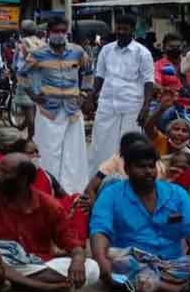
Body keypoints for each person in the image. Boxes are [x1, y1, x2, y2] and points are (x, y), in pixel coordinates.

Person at [89, 143, 190, 292]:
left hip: (173, 264)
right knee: (109, 261)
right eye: (141, 167)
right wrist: (101, 260)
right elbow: (100, 230)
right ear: (127, 170)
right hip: (131, 262)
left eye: (151, 166)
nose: (148, 171)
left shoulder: (177, 193)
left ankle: (185, 285)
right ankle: (176, 290)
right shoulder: (111, 194)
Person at [0, 153, 99, 292]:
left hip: (37, 264)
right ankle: (45, 288)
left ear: (23, 179)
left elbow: (72, 244)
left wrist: (77, 261)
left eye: (5, 173)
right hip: (1, 259)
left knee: (92, 268)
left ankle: (11, 281)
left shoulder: (49, 205)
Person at [23, 17, 93, 194]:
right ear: (48, 33)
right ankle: (47, 188)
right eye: (56, 31)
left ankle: (72, 191)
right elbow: (21, 73)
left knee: (73, 152)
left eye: (63, 31)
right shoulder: (39, 53)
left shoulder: (77, 52)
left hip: (72, 109)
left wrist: (84, 95)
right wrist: (33, 95)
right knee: (48, 151)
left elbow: (89, 72)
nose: (60, 35)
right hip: (48, 110)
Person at [89, 15, 155, 175]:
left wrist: (146, 107)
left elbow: (148, 81)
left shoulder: (142, 53)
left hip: (131, 106)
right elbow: (100, 76)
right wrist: (91, 95)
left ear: (133, 30)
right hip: (107, 105)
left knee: (129, 146)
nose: (121, 31)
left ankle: (126, 181)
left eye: (125, 29)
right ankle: (99, 182)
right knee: (100, 145)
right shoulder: (106, 50)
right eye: (119, 28)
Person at [14, 20, 45, 137]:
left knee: (29, 113)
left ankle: (30, 139)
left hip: (25, 81)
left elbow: (16, 64)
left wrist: (20, 72)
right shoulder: (42, 44)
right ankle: (32, 136)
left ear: (22, 31)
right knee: (35, 112)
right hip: (39, 81)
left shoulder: (22, 43)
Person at [144, 90, 190, 157]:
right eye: (176, 129)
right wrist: (161, 110)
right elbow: (148, 128)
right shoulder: (162, 140)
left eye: (184, 131)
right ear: (168, 132)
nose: (179, 133)